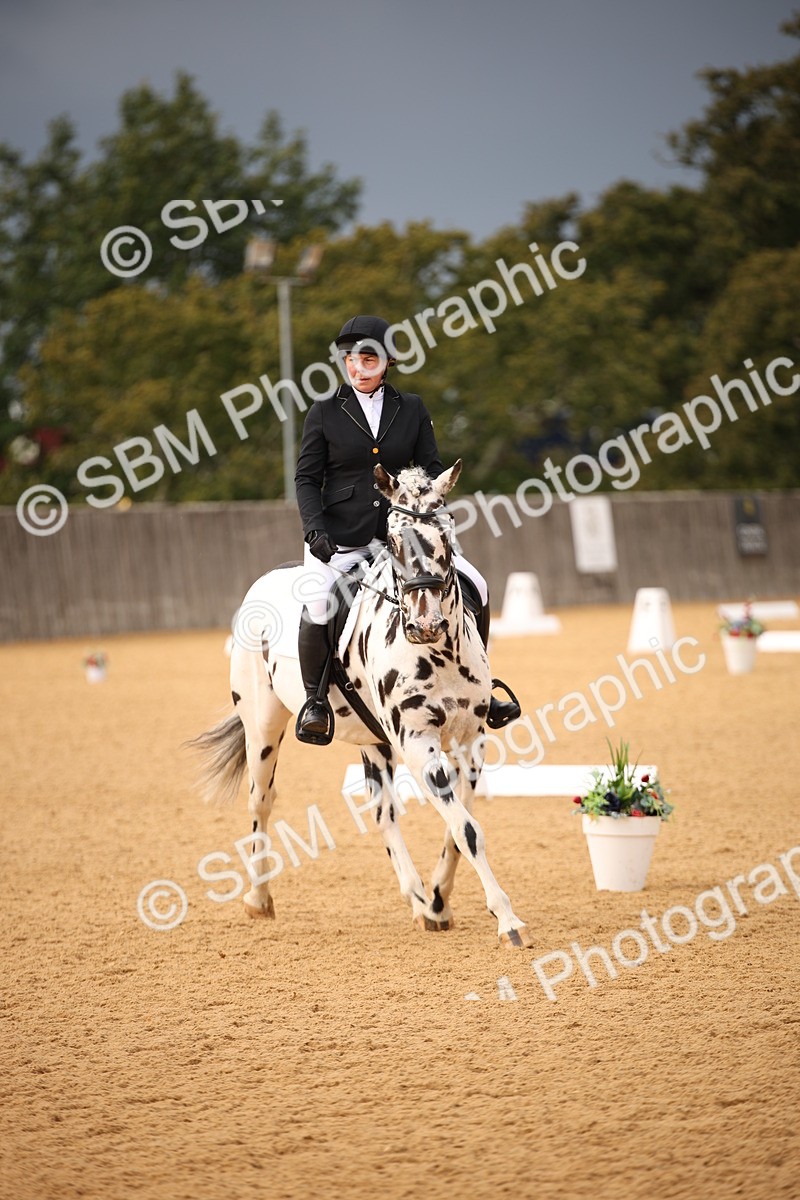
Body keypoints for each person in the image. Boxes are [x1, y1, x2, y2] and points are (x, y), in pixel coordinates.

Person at [293, 314, 521, 743]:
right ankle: (316, 701)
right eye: (351, 360)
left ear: (387, 360)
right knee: (318, 600)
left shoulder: (412, 408)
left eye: (368, 359)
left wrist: (431, 504)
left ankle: (482, 685)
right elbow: (306, 479)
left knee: (478, 584)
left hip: (406, 536)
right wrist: (314, 530)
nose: (358, 368)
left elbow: (432, 468)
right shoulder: (324, 413)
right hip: (341, 537)